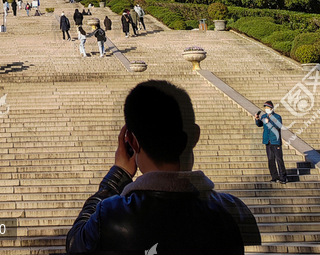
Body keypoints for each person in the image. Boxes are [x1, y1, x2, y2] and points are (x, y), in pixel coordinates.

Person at [66, 80, 261, 254]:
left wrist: (118, 174)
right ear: (194, 137)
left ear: (132, 142)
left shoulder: (108, 215)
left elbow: (75, 243)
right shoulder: (232, 212)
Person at [254, 102, 287, 183]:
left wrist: (269, 122)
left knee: (279, 159)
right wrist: (257, 119)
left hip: (275, 140)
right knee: (270, 160)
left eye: (268, 108)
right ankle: (274, 177)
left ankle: (283, 177)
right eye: (265, 108)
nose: (266, 109)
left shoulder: (277, 117)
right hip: (267, 141)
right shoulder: (264, 116)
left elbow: (278, 126)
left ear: (272, 108)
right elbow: (260, 124)